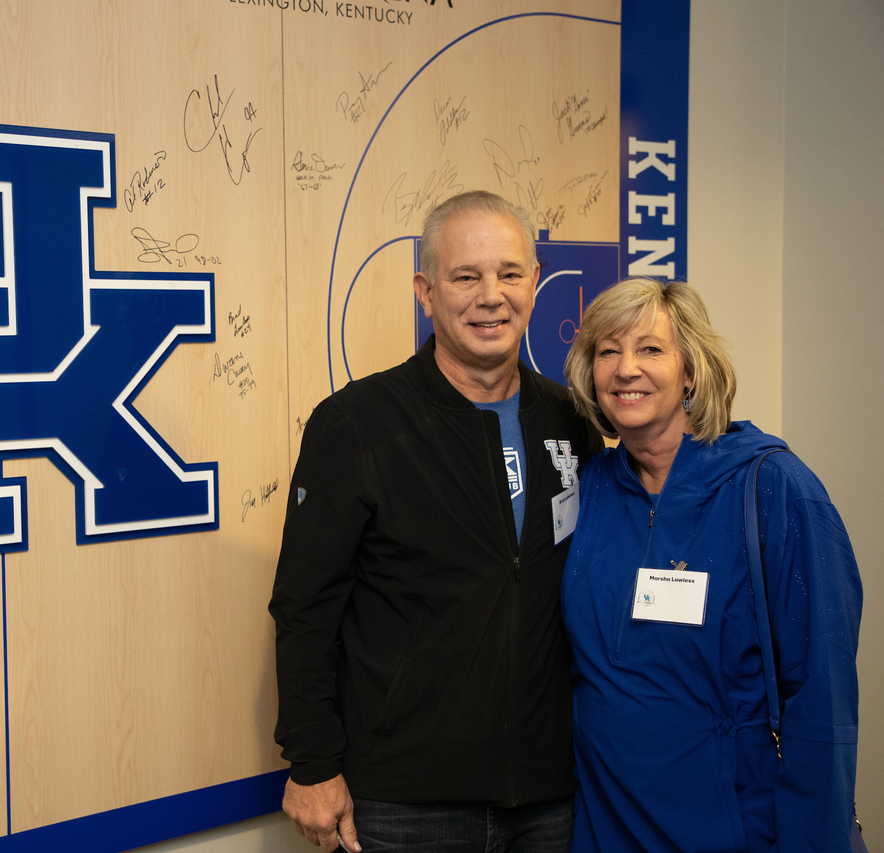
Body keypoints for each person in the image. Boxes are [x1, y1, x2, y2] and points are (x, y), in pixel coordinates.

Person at [269, 190, 603, 852]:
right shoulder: (356, 424)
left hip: (548, 797)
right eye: (465, 276)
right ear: (425, 291)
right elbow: (304, 610)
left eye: (509, 273)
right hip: (404, 803)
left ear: (535, 283)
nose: (491, 296)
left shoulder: (573, 419)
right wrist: (312, 764)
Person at [561, 278, 862, 851]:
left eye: (651, 349)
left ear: (692, 370)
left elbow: (822, 702)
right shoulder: (590, 488)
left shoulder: (774, 490)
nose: (626, 369)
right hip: (603, 827)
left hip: (731, 826)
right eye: (608, 351)